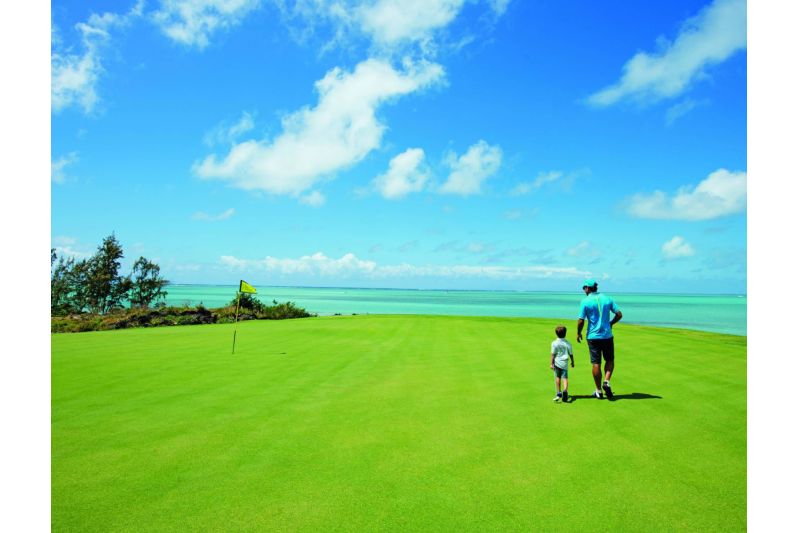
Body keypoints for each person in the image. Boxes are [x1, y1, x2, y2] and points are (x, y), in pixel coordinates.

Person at [576, 278, 622, 400]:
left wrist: (578, 333)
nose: (583, 290)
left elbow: (581, 320)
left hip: (592, 337)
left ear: (587, 288)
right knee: (610, 360)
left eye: (584, 288)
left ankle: (598, 390)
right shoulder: (607, 299)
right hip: (607, 336)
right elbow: (619, 314)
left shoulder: (585, 301)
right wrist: (611, 323)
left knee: (596, 363)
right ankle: (606, 381)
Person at [550, 325, 574, 402]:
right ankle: (565, 390)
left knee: (558, 377)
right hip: (565, 363)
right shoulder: (568, 343)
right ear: (565, 333)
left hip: (557, 362)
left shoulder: (554, 343)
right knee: (565, 378)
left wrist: (551, 363)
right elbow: (571, 354)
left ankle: (559, 392)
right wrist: (572, 362)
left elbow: (553, 354)